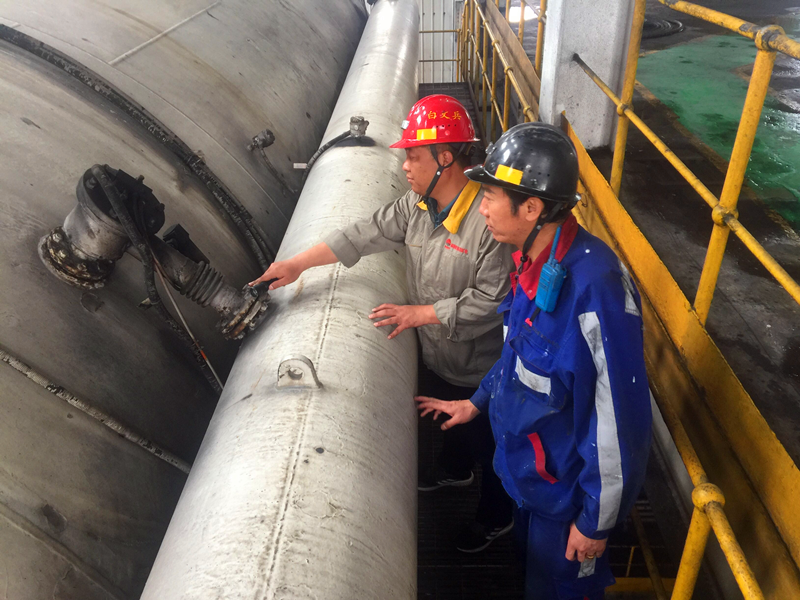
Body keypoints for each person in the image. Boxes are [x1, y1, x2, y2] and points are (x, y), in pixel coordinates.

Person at [250, 94, 515, 552]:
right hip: (438, 353)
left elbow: (493, 303)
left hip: (481, 366)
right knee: (448, 420)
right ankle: (455, 471)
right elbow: (362, 234)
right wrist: (298, 265)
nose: (405, 165)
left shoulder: (488, 222)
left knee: (491, 445)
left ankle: (497, 517)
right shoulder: (417, 205)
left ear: (445, 158)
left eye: (413, 155)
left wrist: (420, 315)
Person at [415, 122, 652, 599]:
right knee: (527, 578)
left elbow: (619, 423)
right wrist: (477, 403)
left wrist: (596, 523)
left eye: (491, 196)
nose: (481, 206)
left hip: (567, 505)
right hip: (527, 482)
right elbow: (518, 354)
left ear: (532, 207)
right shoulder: (531, 261)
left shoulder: (595, 291)